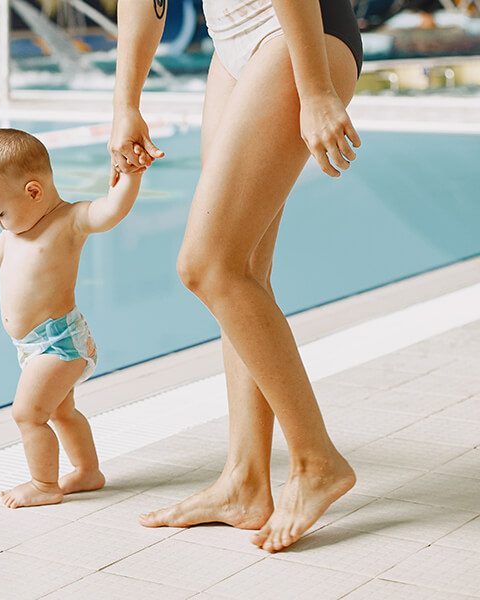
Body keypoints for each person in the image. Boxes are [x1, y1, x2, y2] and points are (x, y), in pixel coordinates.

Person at [109, 0, 363, 552]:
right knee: (240, 270)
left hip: (298, 31)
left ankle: (316, 461)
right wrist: (125, 101)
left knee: (206, 264)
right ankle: (245, 482)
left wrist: (315, 87)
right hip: (232, 46)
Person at [0, 128, 143, 508]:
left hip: (60, 343)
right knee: (61, 410)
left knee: (27, 414)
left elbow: (110, 210)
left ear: (34, 192)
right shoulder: (12, 234)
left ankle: (44, 484)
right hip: (34, 346)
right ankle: (88, 472)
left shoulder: (69, 221)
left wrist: (131, 177)